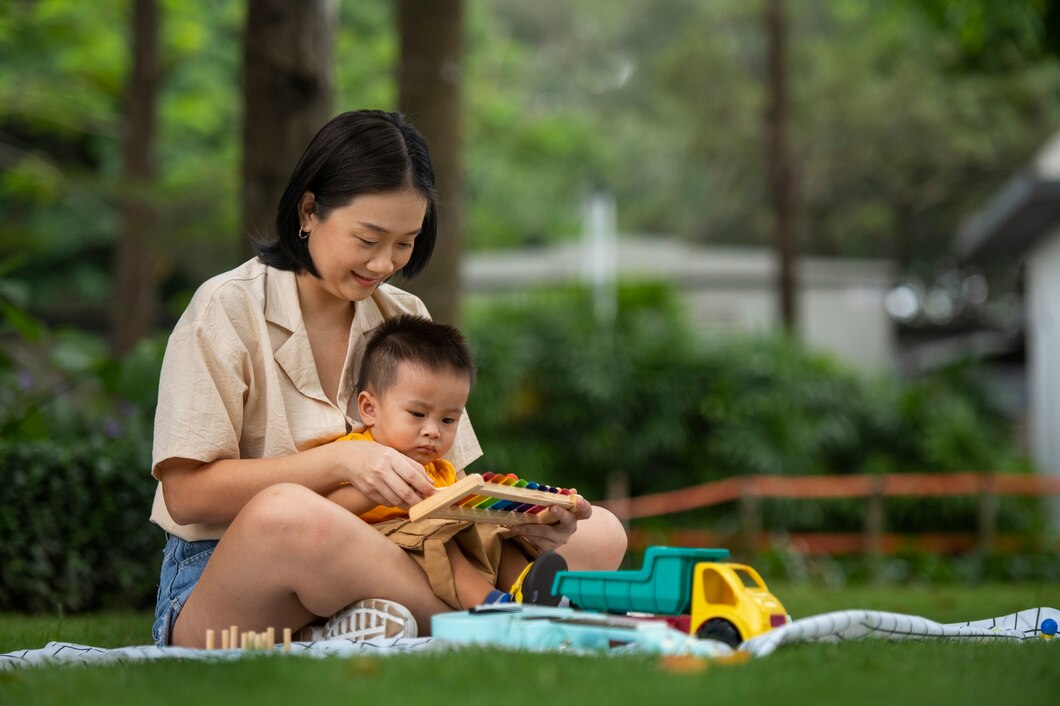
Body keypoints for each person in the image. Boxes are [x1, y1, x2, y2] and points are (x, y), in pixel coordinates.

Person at [150, 109, 627, 648]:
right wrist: (340, 461)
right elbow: (185, 493)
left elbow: (446, 483)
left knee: (601, 531)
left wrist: (523, 521)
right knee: (288, 515)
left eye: (404, 243)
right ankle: (489, 624)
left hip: (403, 547)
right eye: (368, 239)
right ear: (309, 211)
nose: (384, 263)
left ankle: (377, 621)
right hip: (232, 577)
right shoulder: (227, 307)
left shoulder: (404, 315)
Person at [327, 313, 571, 610]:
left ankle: (530, 587)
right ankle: (492, 606)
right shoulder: (357, 451)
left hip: (429, 538)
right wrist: (370, 492)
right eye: (417, 414)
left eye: (448, 419)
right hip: (382, 542)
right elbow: (326, 509)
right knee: (441, 539)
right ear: (369, 408)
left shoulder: (441, 469)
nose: (432, 431)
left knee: (491, 531)